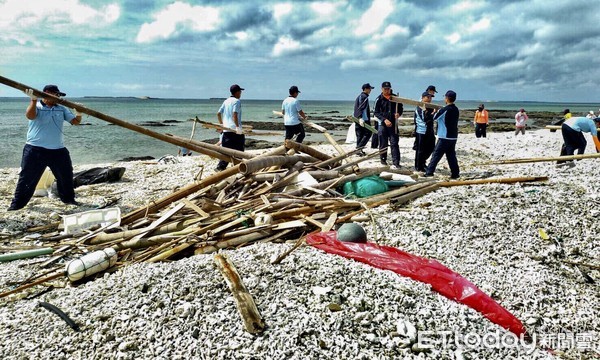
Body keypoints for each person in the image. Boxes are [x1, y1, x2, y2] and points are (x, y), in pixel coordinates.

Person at [8, 85, 82, 211]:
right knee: (27, 178)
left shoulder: (61, 109)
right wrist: (33, 100)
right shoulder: (36, 106)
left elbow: (75, 122)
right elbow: (30, 116)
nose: (58, 97)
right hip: (35, 150)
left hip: (58, 150)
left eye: (59, 95)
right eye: (56, 94)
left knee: (66, 176)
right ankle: (17, 205)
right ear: (47, 93)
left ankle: (69, 200)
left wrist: (79, 113)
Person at [425, 90, 460, 179]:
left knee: (436, 155)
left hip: (444, 137)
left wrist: (434, 111)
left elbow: (434, 118)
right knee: (451, 156)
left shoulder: (445, 109)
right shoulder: (456, 109)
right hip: (453, 137)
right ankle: (455, 173)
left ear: (447, 98)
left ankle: (429, 172)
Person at [215, 84, 245, 171]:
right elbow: (234, 114)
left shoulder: (226, 101)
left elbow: (218, 113)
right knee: (239, 150)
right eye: (240, 92)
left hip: (226, 130)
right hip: (234, 130)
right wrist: (237, 127)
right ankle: (239, 167)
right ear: (237, 92)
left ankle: (220, 167)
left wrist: (222, 125)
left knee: (226, 150)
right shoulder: (237, 101)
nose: (240, 94)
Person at [374, 81, 403, 168]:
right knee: (383, 143)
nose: (387, 90)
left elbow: (401, 108)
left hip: (393, 124)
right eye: (385, 89)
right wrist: (384, 120)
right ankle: (383, 160)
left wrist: (399, 114)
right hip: (383, 124)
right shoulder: (378, 99)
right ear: (382, 89)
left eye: (388, 89)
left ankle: (396, 162)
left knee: (394, 143)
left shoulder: (395, 98)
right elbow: (376, 112)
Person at [414, 92, 436, 172]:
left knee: (431, 147)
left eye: (431, 97)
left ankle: (423, 162)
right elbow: (425, 118)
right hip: (421, 131)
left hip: (429, 130)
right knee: (420, 149)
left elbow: (431, 118)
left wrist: (433, 113)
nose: (430, 99)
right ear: (423, 97)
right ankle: (419, 166)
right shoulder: (420, 106)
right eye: (428, 97)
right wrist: (433, 114)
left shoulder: (430, 106)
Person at [353, 83, 374, 155]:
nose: (370, 90)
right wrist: (360, 118)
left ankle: (359, 151)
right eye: (369, 88)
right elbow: (360, 108)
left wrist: (357, 118)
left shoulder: (359, 96)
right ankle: (359, 148)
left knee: (360, 135)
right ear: (365, 89)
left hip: (357, 119)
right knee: (368, 133)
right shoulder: (364, 97)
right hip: (363, 119)